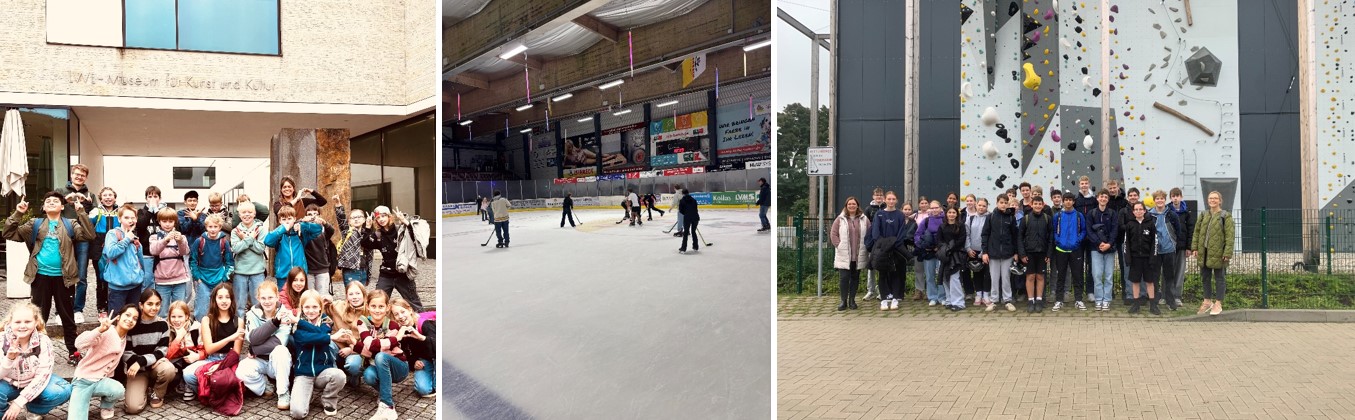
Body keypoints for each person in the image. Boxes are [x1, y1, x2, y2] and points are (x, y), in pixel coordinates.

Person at [3, 191, 94, 361]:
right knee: (38, 317)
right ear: (44, 207)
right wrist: (18, 213)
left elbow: (89, 235)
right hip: (40, 277)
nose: (51, 202)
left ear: (62, 206)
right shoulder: (35, 224)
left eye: (56, 201)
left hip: (64, 278)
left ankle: (73, 352)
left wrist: (81, 212)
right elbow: (8, 233)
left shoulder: (70, 224)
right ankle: (35, 352)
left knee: (67, 316)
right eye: (48, 201)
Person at [0, 303, 72, 419]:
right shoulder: (1, 339)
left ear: (36, 322)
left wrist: (19, 402)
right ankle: (6, 414)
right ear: (10, 322)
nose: (22, 326)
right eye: (18, 322)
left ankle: (33, 408)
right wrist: (9, 359)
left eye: (27, 322)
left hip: (33, 380)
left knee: (63, 390)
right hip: (8, 383)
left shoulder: (43, 341)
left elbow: (43, 375)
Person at [181, 284, 246, 406]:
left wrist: (221, 365)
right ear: (214, 300)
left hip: (230, 361)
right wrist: (231, 338)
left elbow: (236, 352)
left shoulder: (239, 321)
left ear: (232, 299)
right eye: (220, 297)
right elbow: (209, 349)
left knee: (243, 376)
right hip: (211, 359)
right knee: (188, 374)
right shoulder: (207, 320)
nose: (224, 301)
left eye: (227, 297)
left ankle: (218, 391)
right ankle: (214, 393)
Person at [70, 304, 138, 420]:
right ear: (118, 317)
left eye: (135, 318)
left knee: (118, 390)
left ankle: (106, 406)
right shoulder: (107, 331)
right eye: (127, 315)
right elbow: (79, 344)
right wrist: (100, 329)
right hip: (84, 381)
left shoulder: (125, 338)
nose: (130, 320)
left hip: (101, 381)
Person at [289, 290, 346, 417]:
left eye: (315, 306)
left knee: (339, 375)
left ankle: (328, 400)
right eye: (307, 307)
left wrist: (299, 322)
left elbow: (320, 334)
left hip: (323, 372)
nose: (311, 310)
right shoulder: (296, 326)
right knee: (297, 413)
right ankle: (306, 394)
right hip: (303, 373)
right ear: (302, 308)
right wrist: (331, 337)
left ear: (321, 307)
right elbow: (307, 338)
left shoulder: (327, 321)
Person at [119, 289, 176, 414]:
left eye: (157, 304)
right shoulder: (133, 324)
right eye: (150, 304)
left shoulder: (163, 325)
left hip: (153, 367)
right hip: (137, 371)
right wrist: (144, 363)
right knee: (133, 408)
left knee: (168, 369)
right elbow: (127, 353)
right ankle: (143, 388)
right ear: (141, 305)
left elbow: (162, 351)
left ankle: (157, 392)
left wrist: (142, 361)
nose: (154, 308)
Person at [241, 281, 294, 410]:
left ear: (277, 296)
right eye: (263, 298)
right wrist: (275, 323)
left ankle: (283, 392)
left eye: (270, 297)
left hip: (277, 362)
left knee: (280, 350)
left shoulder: (285, 313)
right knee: (241, 370)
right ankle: (265, 385)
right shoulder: (251, 314)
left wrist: (254, 349)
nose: (267, 301)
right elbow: (253, 338)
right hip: (259, 360)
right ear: (258, 298)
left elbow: (279, 341)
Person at [357, 291, 408, 420]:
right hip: (379, 367)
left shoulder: (393, 325)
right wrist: (397, 339)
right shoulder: (361, 322)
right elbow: (370, 345)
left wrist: (383, 344)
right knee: (368, 374)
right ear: (367, 306)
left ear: (387, 308)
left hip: (399, 367)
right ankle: (387, 399)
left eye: (381, 306)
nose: (377, 310)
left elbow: (377, 348)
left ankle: (387, 405)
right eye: (373, 306)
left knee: (380, 356)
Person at [365, 206, 425, 312]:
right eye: (378, 218)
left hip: (402, 273)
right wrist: (368, 227)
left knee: (414, 303)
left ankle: (424, 324)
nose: (381, 219)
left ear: (389, 217)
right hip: (386, 274)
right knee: (378, 300)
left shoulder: (399, 230)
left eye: (384, 216)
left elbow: (415, 236)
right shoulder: (378, 234)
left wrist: (405, 221)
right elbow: (366, 244)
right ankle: (379, 325)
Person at [865, 191, 916, 311]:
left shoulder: (899, 214)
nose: (891, 201)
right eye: (889, 199)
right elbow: (876, 233)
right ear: (885, 200)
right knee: (883, 275)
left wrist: (893, 243)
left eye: (893, 199)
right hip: (883, 250)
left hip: (896, 249)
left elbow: (901, 233)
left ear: (896, 200)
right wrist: (885, 245)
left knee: (896, 274)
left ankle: (895, 298)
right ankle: (884, 299)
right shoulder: (879, 214)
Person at [63, 164, 95, 325]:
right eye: (76, 174)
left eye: (82, 175)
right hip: (64, 237)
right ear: (71, 175)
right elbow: (46, 208)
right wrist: (64, 201)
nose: (79, 177)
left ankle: (78, 309)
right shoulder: (61, 191)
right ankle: (63, 309)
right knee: (64, 274)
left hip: (82, 237)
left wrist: (87, 205)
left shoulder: (91, 195)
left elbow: (95, 216)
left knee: (81, 276)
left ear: (86, 177)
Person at [1192, 191, 1233, 316]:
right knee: (1205, 277)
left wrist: (1227, 252)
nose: (1213, 200)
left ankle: (1218, 303)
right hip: (1204, 253)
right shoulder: (1203, 215)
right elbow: (1197, 232)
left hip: (1219, 253)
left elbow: (1230, 236)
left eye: (1215, 198)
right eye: (1210, 198)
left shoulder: (1225, 216)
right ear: (1208, 200)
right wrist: (1195, 248)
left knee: (1219, 278)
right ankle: (1207, 301)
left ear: (1220, 200)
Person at [264, 206, 323, 289]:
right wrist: (283, 229)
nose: (287, 221)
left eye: (289, 218)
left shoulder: (300, 233)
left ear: (294, 219)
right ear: (280, 221)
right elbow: (267, 241)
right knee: (283, 299)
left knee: (299, 300)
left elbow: (318, 229)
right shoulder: (279, 234)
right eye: (284, 219)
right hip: (283, 275)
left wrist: (302, 225)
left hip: (299, 275)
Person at [190, 214, 235, 320]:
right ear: (206, 227)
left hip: (218, 277)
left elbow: (230, 263)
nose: (213, 229)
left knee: (219, 306)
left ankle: (217, 329)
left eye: (215, 227)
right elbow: (192, 261)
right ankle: (200, 329)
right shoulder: (199, 241)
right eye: (210, 227)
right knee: (201, 307)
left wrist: (224, 278)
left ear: (220, 227)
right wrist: (197, 277)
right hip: (202, 278)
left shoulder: (224, 242)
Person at [149, 207, 191, 319]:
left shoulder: (181, 237)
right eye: (164, 221)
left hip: (179, 279)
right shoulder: (154, 236)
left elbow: (185, 252)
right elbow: (154, 250)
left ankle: (179, 333)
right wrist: (165, 240)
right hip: (162, 280)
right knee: (162, 311)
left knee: (179, 310)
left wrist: (181, 241)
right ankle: (164, 334)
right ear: (159, 222)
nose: (167, 224)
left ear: (175, 222)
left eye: (170, 221)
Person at [830, 196, 870, 311]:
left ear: (857, 205)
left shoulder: (864, 219)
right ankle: (843, 301)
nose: (852, 206)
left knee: (855, 278)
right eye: (849, 204)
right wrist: (839, 245)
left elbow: (869, 233)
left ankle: (852, 300)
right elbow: (833, 234)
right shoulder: (840, 219)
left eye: (854, 204)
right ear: (846, 206)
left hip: (858, 255)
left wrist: (866, 246)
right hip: (844, 254)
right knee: (844, 278)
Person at [103, 204, 145, 312]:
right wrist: (126, 240)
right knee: (116, 319)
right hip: (118, 287)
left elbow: (141, 261)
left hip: (135, 286)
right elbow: (111, 253)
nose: (130, 220)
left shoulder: (135, 238)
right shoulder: (112, 234)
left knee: (133, 319)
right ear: (119, 219)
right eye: (126, 217)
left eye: (133, 218)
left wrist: (141, 276)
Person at [391, 299, 435, 399]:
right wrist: (414, 361)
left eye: (403, 312)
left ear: (410, 310)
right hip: (425, 360)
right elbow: (406, 353)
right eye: (396, 314)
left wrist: (422, 338)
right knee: (423, 390)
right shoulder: (402, 331)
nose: (401, 317)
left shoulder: (424, 324)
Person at [1148, 190, 1184, 311]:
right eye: (1157, 198)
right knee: (1154, 276)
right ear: (1154, 201)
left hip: (1169, 249)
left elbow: (1178, 231)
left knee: (1169, 276)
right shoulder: (1149, 215)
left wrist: (1174, 244)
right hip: (1155, 251)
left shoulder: (1171, 214)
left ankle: (1170, 300)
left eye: (1162, 198)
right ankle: (1154, 300)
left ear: (1165, 200)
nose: (1159, 200)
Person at [982, 194, 1019, 312]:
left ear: (1008, 204)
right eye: (1001, 202)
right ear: (997, 203)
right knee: (994, 278)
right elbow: (985, 234)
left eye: (1005, 202)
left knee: (1006, 278)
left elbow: (1015, 236)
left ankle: (1007, 300)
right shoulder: (991, 217)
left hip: (1008, 254)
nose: (1003, 205)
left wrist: (1016, 252)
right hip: (993, 253)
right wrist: (985, 252)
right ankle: (994, 301)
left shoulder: (1011, 218)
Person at [232, 201, 269, 319]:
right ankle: (240, 328)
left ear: (254, 214)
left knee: (258, 303)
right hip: (240, 272)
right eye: (243, 212)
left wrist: (246, 239)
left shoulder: (261, 229)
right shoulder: (235, 231)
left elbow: (260, 249)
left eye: (249, 212)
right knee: (240, 304)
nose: (246, 215)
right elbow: (236, 249)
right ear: (239, 215)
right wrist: (250, 239)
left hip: (257, 272)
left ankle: (258, 328)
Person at [1050, 194, 1087, 311]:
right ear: (1063, 201)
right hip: (1061, 249)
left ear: (1073, 202)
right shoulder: (1058, 215)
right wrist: (1058, 241)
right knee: (1061, 275)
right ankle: (1059, 300)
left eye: (1070, 200)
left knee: (1077, 275)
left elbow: (1084, 230)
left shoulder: (1079, 215)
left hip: (1075, 250)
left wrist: (1078, 241)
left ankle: (1078, 300)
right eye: (1066, 200)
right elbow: (1054, 230)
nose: (1068, 202)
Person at [88, 187, 121, 317]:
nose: (108, 197)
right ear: (101, 198)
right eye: (105, 195)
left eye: (110, 195)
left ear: (115, 197)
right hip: (99, 249)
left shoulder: (120, 211)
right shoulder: (96, 211)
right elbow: (87, 223)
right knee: (101, 279)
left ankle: (113, 306)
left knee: (116, 279)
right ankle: (102, 307)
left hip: (117, 248)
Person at [327, 281, 368, 385]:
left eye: (358, 293)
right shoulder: (337, 306)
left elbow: (370, 341)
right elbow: (318, 308)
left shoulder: (369, 312)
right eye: (351, 294)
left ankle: (353, 375)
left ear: (364, 295)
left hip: (356, 350)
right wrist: (326, 299)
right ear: (346, 296)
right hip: (337, 346)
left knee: (354, 366)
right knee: (326, 343)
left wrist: (351, 349)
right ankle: (335, 377)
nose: (354, 297)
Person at [1017, 196, 1053, 312]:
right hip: (1029, 253)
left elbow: (1051, 238)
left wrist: (1049, 254)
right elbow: (1019, 237)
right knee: (1030, 276)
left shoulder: (1047, 218)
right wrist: (1022, 254)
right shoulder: (1026, 219)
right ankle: (1030, 300)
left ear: (1043, 205)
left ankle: (1039, 299)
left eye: (1039, 204)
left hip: (1042, 252)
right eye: (1035, 204)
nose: (1037, 206)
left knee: (1040, 276)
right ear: (1031, 205)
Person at [1087, 190, 1120, 311]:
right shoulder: (1092, 213)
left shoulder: (1112, 213)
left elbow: (1115, 230)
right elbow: (1089, 231)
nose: (1103, 199)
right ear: (1097, 198)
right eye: (1101, 196)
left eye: (1105, 197)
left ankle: (1107, 299)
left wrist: (1109, 244)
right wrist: (1099, 243)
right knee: (1097, 275)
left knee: (1109, 276)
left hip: (1109, 249)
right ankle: (1098, 299)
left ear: (1108, 199)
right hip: (1095, 249)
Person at [1125, 202, 1161, 314]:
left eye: (1141, 209)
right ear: (1133, 212)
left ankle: (1153, 305)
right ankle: (1136, 305)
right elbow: (1127, 243)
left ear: (1145, 211)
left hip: (1147, 258)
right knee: (1135, 282)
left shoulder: (1150, 224)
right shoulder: (1130, 225)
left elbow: (1154, 243)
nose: (1138, 211)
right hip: (1135, 258)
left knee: (1150, 282)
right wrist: (1128, 257)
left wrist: (1153, 257)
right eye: (1136, 209)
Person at [164, 301, 202, 401]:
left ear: (187, 316)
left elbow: (206, 350)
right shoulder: (166, 329)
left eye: (180, 316)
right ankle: (179, 382)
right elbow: (166, 355)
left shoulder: (197, 329)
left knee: (188, 354)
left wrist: (197, 356)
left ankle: (189, 384)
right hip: (175, 363)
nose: (176, 320)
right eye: (173, 317)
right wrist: (178, 338)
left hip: (193, 360)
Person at [135, 186, 169, 292]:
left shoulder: (164, 212)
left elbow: (167, 224)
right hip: (146, 253)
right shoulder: (141, 212)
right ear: (146, 199)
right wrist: (150, 210)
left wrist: (157, 211)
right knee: (147, 282)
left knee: (161, 283)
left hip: (163, 253)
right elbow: (140, 226)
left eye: (155, 196)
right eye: (150, 196)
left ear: (160, 198)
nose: (153, 199)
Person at [334, 198, 374, 286]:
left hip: (364, 270)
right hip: (350, 270)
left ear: (364, 219)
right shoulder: (347, 231)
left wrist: (368, 274)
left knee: (362, 295)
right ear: (349, 222)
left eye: (359, 217)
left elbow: (369, 254)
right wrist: (338, 205)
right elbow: (341, 219)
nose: (356, 219)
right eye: (353, 218)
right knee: (351, 293)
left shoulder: (367, 232)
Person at [1168, 188, 1196, 309]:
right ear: (1170, 198)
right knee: (1167, 272)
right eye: (1173, 196)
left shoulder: (1187, 212)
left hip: (1182, 247)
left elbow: (1191, 230)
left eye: (1177, 196)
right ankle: (1166, 296)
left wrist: (1189, 247)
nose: (1175, 198)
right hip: (1168, 247)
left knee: (1179, 272)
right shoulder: (1167, 210)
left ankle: (1177, 296)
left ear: (1181, 197)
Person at [301, 204, 337, 297]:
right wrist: (302, 221)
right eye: (309, 214)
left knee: (322, 297)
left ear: (319, 215)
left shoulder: (323, 230)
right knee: (309, 297)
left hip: (322, 268)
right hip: (308, 269)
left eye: (315, 214)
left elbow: (331, 230)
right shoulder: (303, 229)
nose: (312, 216)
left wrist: (324, 222)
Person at [915, 201, 945, 306]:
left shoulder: (945, 219)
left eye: (936, 207)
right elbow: (918, 234)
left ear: (941, 208)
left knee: (941, 275)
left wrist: (942, 247)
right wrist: (923, 245)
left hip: (941, 252)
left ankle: (942, 297)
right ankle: (932, 297)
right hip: (928, 252)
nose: (934, 210)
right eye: (932, 208)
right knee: (930, 275)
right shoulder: (926, 221)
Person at [938, 207, 968, 311]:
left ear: (957, 214)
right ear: (946, 214)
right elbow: (939, 240)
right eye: (949, 212)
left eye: (953, 212)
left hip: (956, 255)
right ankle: (949, 300)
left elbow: (961, 240)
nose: (951, 214)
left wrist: (952, 248)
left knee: (955, 278)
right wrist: (945, 249)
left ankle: (959, 303)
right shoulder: (942, 226)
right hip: (945, 255)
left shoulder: (961, 226)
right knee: (945, 278)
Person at [1073, 176, 1098, 301]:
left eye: (1086, 183)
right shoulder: (1075, 200)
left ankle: (1090, 291)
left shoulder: (1094, 200)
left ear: (1089, 184)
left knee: (1091, 266)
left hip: (1092, 238)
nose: (1084, 185)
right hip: (1078, 238)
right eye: (1082, 183)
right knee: (1078, 266)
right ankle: (1078, 292)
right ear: (1079, 185)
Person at [1117, 187, 1142, 304]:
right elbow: (1121, 226)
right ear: (1128, 197)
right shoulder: (1123, 211)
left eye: (1135, 195)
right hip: (1126, 243)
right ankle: (1129, 294)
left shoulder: (1142, 209)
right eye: (1131, 195)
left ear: (1138, 196)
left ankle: (1141, 295)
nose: (1133, 197)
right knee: (1127, 270)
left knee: (1141, 269)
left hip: (1142, 244)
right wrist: (1133, 227)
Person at [965, 198, 991, 307]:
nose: (981, 207)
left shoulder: (990, 218)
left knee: (987, 274)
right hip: (973, 251)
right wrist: (968, 249)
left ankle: (986, 295)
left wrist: (986, 251)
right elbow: (966, 234)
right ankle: (978, 294)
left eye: (984, 206)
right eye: (979, 205)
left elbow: (991, 235)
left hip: (986, 251)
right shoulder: (970, 219)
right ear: (976, 205)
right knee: (976, 273)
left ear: (987, 207)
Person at [861, 188, 886, 301]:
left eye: (880, 195)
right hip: (872, 242)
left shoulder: (887, 207)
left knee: (882, 267)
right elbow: (865, 224)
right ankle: (870, 290)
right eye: (877, 195)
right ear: (873, 196)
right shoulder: (868, 209)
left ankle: (882, 290)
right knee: (871, 268)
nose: (879, 197)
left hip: (883, 242)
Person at [678, 189, 701, 254]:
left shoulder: (682, 201)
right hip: (695, 218)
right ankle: (695, 247)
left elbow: (681, 210)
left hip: (687, 218)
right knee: (693, 232)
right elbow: (696, 209)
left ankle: (683, 248)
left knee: (686, 233)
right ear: (688, 193)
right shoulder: (693, 200)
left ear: (683, 194)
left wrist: (686, 213)